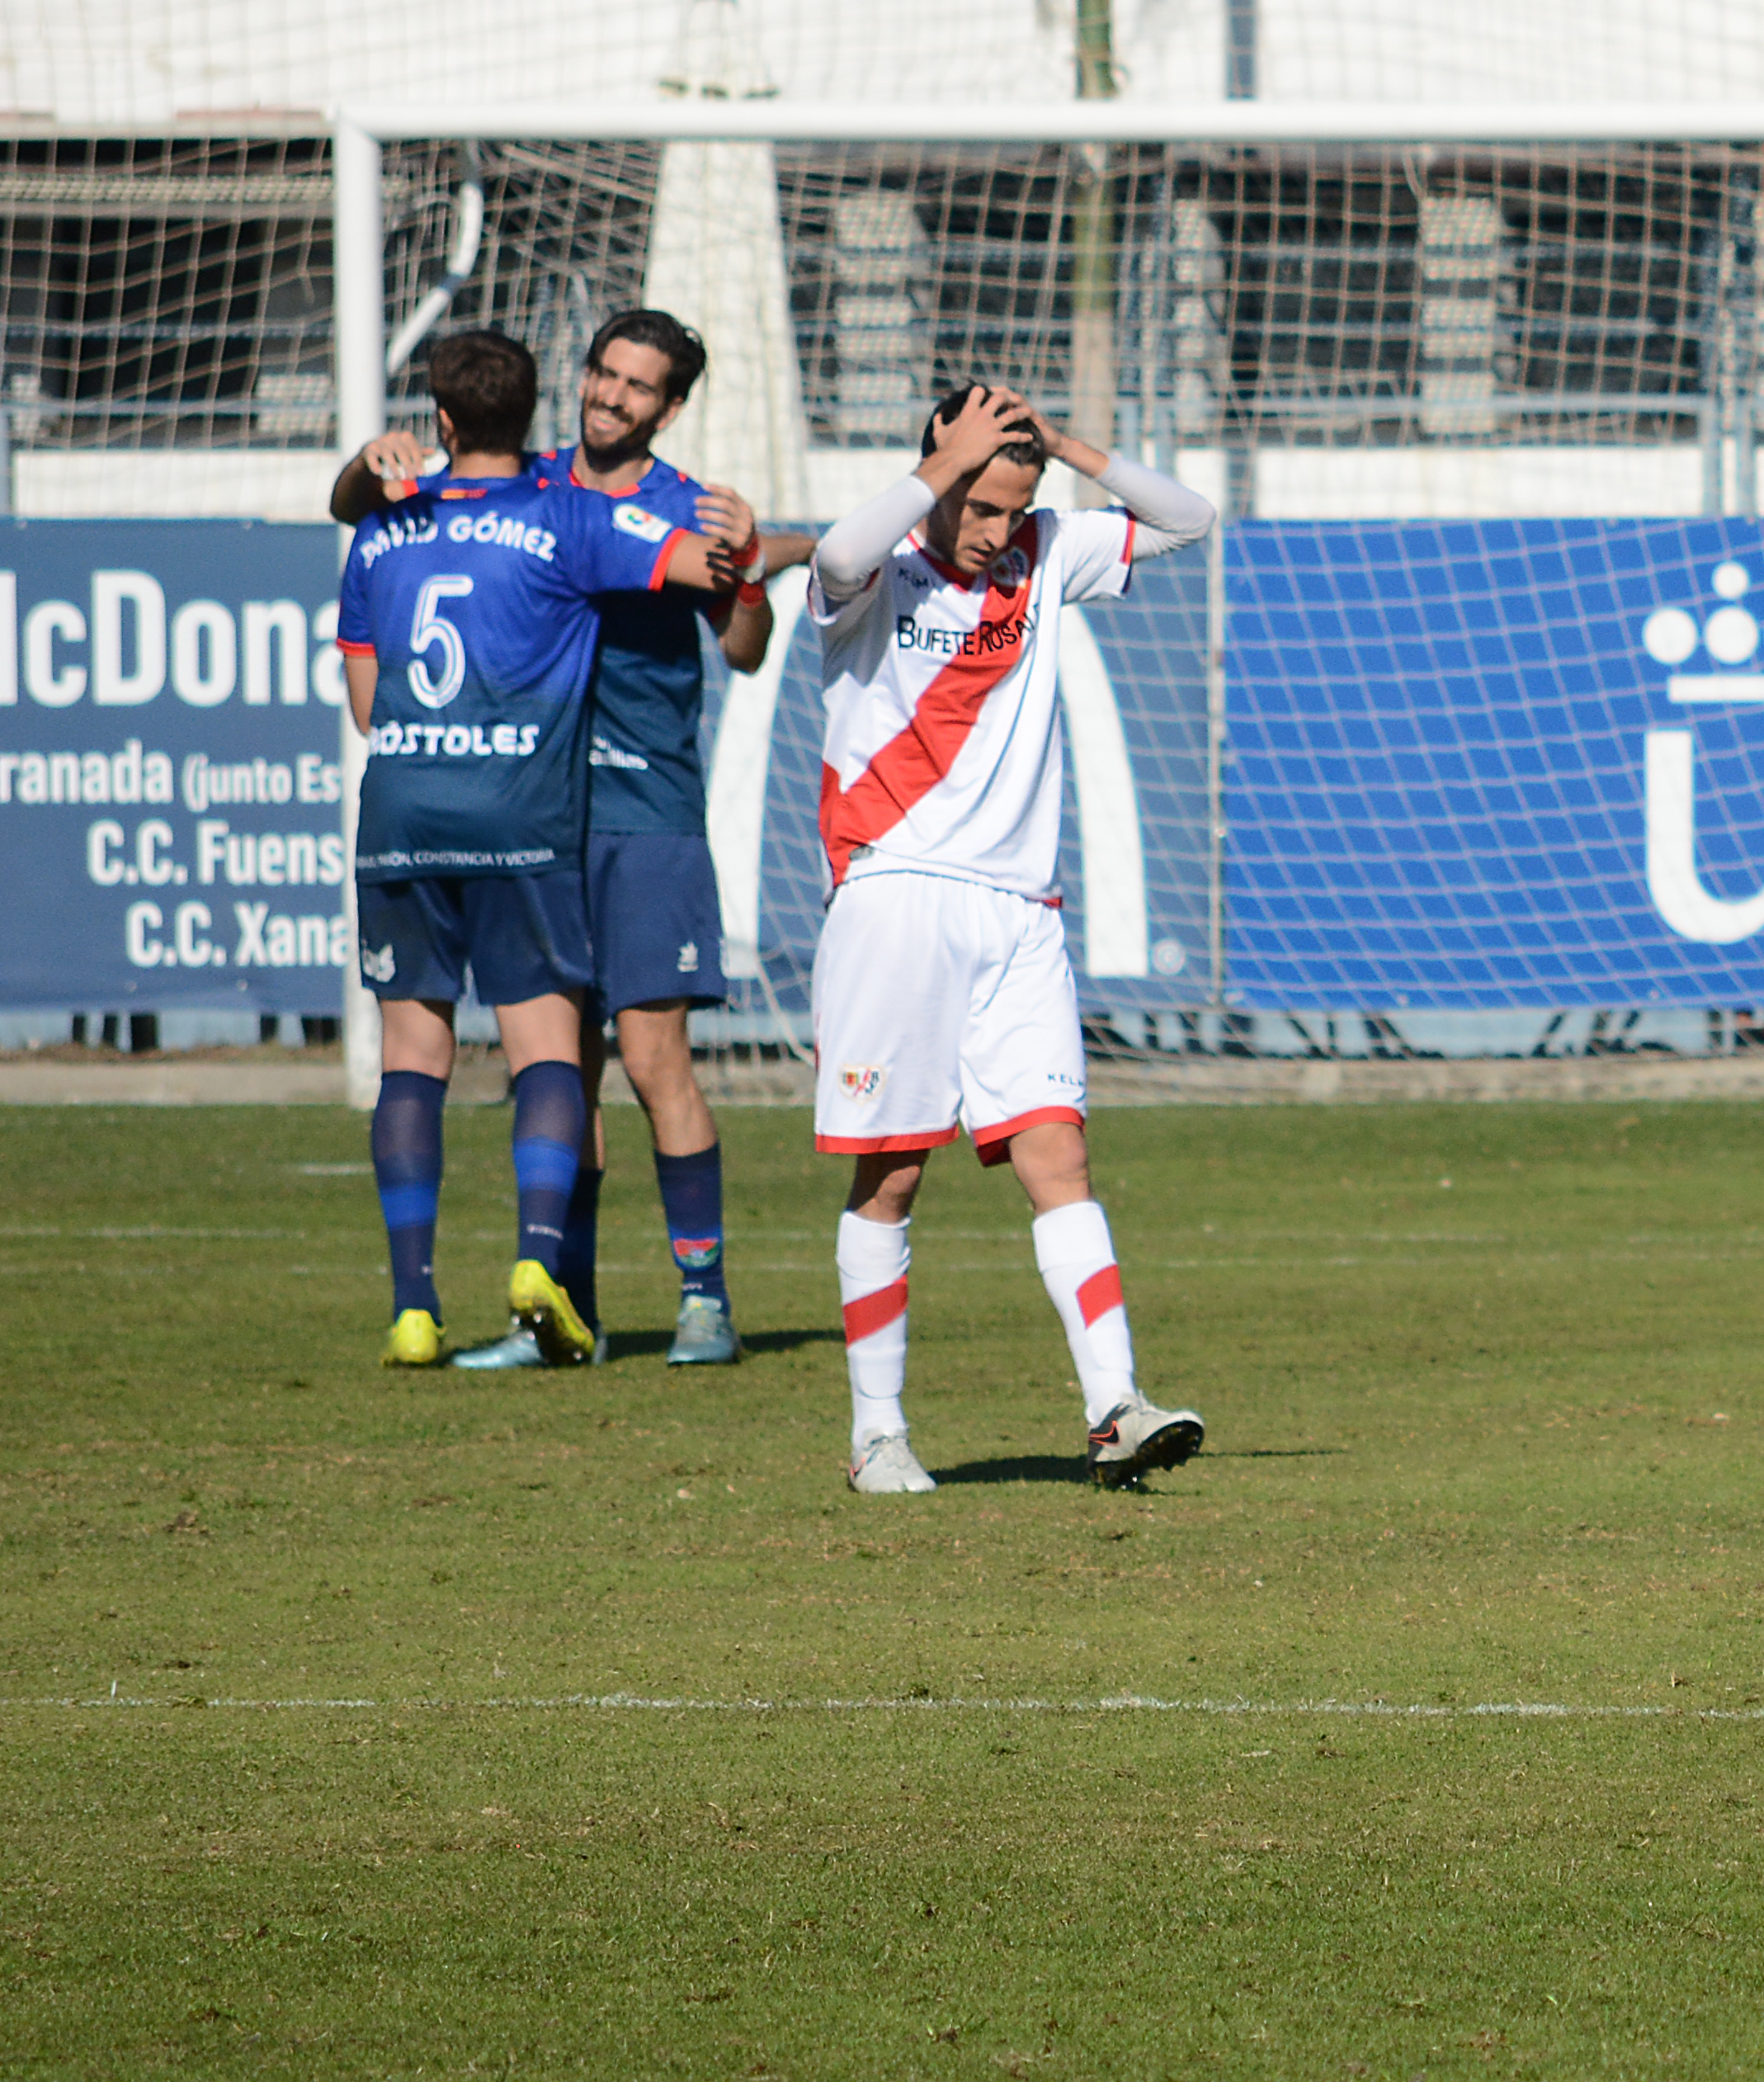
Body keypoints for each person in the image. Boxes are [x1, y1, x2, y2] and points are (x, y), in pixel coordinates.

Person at [335, 307, 775, 1367]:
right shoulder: (536, 488)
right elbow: (370, 503)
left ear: (670, 408)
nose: (610, 395)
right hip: (539, 816)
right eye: (602, 372)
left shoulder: (683, 507)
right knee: (561, 1067)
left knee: (653, 1054)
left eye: (637, 386)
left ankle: (703, 1299)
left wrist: (755, 558)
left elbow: (748, 646)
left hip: (642, 807)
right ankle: (559, 1307)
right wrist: (365, 464)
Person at [807, 382, 1217, 1495]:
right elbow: (840, 551)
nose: (996, 530)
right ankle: (878, 1437)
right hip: (896, 898)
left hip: (1021, 912)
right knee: (890, 1180)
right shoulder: (878, 568)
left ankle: (1115, 1408)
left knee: (1060, 1156)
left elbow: (1191, 519)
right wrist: (946, 470)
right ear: (939, 471)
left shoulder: (1047, 549)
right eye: (980, 504)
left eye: (1013, 504)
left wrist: (1066, 450)